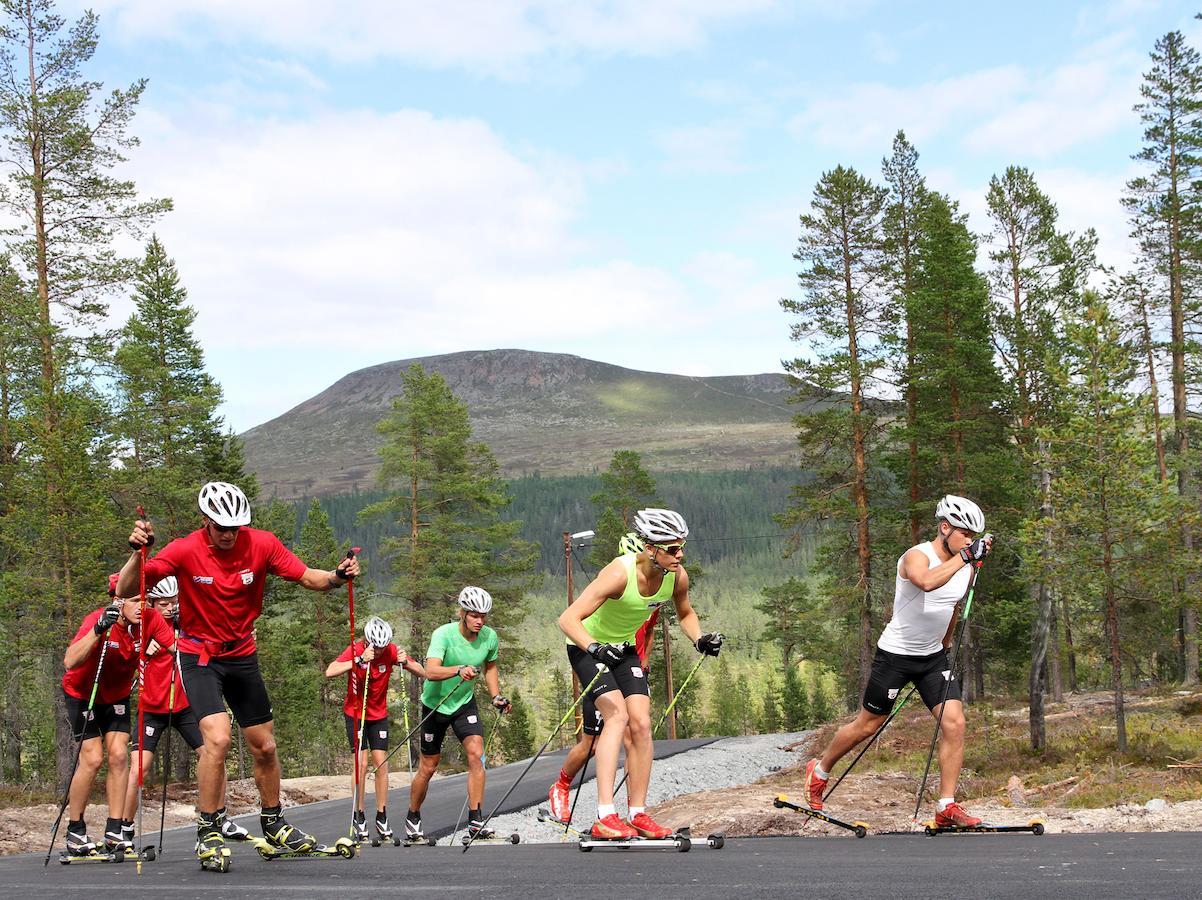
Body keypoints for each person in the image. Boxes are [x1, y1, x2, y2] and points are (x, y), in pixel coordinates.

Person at [116, 481, 361, 868]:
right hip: (198, 655)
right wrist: (137, 553)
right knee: (218, 739)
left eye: (235, 527)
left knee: (264, 745)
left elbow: (308, 577)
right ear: (205, 521)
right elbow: (130, 587)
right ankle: (209, 828)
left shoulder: (261, 544)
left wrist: (336, 576)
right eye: (221, 527)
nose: (229, 534)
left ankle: (274, 821)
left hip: (242, 653)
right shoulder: (184, 549)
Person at [803, 494, 993, 828]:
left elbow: (950, 607)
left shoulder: (964, 565)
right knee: (868, 725)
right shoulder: (915, 557)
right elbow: (927, 583)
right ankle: (819, 771)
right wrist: (966, 557)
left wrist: (945, 644)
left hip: (932, 658)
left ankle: (946, 805)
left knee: (955, 722)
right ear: (945, 528)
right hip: (896, 655)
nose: (969, 540)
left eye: (974, 537)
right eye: (964, 533)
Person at [558, 509, 723, 840]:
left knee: (642, 723)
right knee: (616, 717)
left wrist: (699, 638)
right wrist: (594, 648)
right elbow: (568, 618)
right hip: (587, 646)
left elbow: (686, 612)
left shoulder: (676, 576)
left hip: (622, 648)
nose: (681, 555)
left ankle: (638, 813)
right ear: (651, 548)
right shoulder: (619, 574)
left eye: (682, 547)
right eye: (673, 549)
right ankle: (606, 814)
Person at [120, 577, 250, 848]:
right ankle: (124, 828)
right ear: (152, 603)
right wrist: (144, 651)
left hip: (185, 706)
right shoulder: (142, 626)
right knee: (138, 768)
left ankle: (219, 816)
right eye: (163, 603)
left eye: (173, 603)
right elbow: (126, 654)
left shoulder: (188, 624)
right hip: (152, 708)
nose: (169, 608)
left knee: (213, 754)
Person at [60, 579, 173, 855]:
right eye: (135, 600)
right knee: (93, 758)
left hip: (116, 696)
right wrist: (98, 630)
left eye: (144, 599)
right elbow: (70, 661)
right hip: (82, 693)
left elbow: (176, 647)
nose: (141, 606)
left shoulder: (149, 620)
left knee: (120, 756)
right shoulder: (97, 620)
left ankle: (115, 828)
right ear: (118, 601)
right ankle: (75, 830)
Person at [548, 533, 649, 824]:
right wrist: (595, 649)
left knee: (635, 732)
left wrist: (643, 662)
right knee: (591, 742)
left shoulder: (651, 588)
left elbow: (647, 630)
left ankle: (634, 812)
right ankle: (562, 785)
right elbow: (574, 620)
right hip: (598, 656)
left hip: (625, 659)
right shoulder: (615, 583)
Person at [405, 587, 512, 842]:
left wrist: (495, 695)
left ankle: (475, 820)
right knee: (428, 767)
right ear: (463, 613)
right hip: (435, 705)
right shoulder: (443, 634)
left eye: (484, 616)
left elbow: (491, 665)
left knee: (476, 753)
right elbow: (430, 671)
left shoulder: (489, 637)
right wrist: (459, 669)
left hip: (464, 703)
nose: (480, 621)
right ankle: (413, 815)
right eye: (475, 615)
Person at [324, 615, 425, 842]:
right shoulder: (356, 649)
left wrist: (405, 661)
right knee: (360, 764)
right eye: (375, 647)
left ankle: (382, 816)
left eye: (382, 647)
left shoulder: (389, 650)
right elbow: (330, 671)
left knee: (381, 763)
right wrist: (359, 660)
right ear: (367, 642)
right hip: (355, 714)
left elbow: (423, 671)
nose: (379, 651)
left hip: (378, 715)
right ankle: (358, 816)